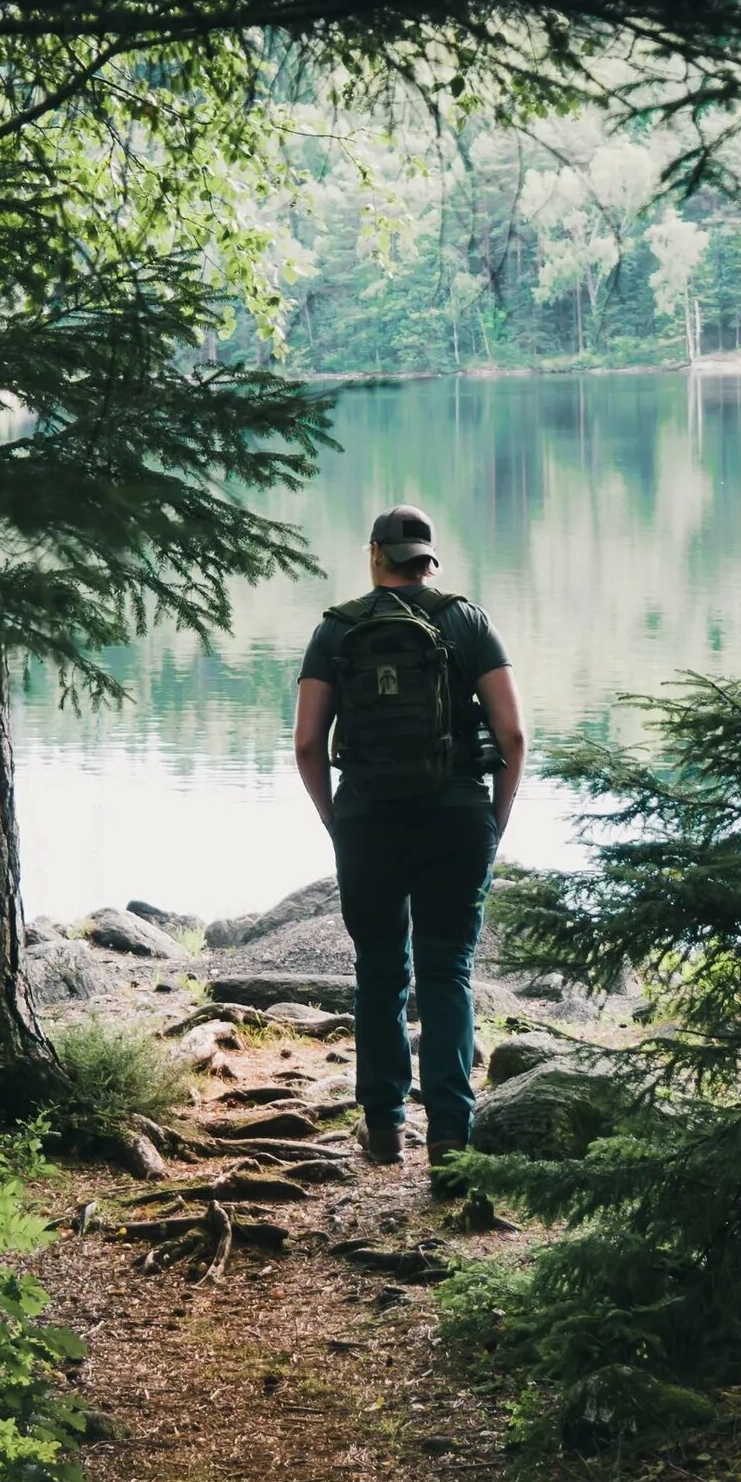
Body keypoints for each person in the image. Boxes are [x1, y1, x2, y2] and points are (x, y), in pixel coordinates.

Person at [292, 503, 526, 1186]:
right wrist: (495, 820)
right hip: (457, 817)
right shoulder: (466, 620)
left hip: (369, 821)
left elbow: (308, 743)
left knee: (380, 969)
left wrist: (338, 820)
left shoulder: (337, 630)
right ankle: (451, 1134)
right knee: (448, 967)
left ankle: (386, 1124)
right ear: (429, 558)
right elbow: (512, 736)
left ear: (375, 556)